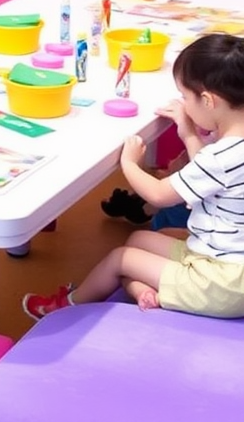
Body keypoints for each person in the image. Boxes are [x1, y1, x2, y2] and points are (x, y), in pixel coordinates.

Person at [23, 33, 244, 320]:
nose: (184, 104)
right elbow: (208, 172)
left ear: (207, 100)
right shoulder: (230, 149)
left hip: (222, 284)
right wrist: (188, 133)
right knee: (141, 239)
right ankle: (144, 291)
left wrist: (130, 164)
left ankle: (66, 308)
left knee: (120, 259)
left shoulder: (221, 156)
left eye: (186, 97)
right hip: (229, 269)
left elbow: (159, 196)